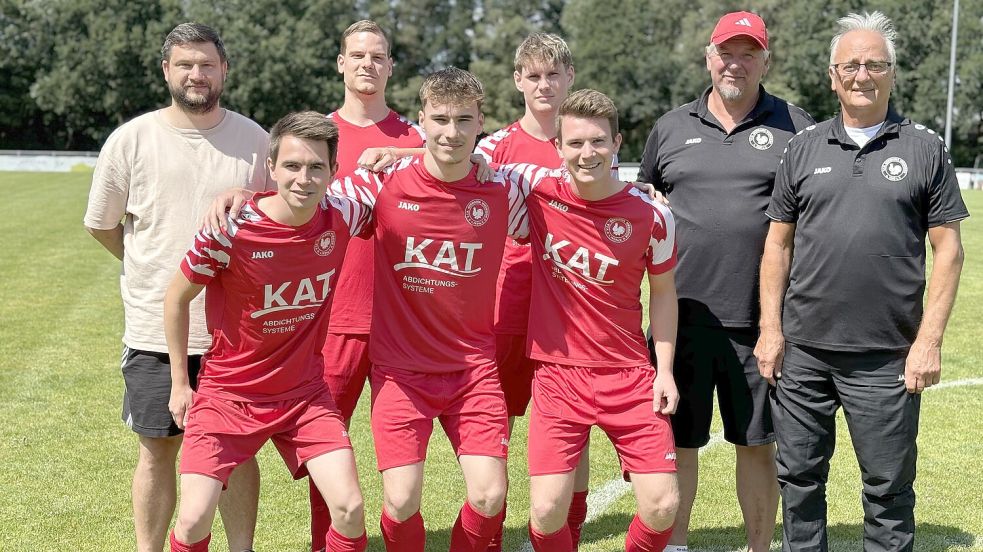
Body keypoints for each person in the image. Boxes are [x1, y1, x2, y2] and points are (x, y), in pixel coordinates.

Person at [755, 11, 967, 552]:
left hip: (888, 355)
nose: (862, 75)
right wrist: (771, 331)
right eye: (850, 65)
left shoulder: (924, 149)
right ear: (832, 75)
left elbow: (948, 252)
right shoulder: (801, 149)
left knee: (888, 489)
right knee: (799, 481)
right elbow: (777, 246)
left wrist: (928, 342)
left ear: (891, 74)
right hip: (804, 352)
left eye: (875, 64)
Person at [83, 22, 265, 552]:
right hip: (154, 330)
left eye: (207, 63)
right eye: (185, 64)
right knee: (158, 449)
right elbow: (102, 223)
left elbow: (280, 220)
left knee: (238, 451)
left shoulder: (255, 140)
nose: (196, 74)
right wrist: (155, 269)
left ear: (224, 70)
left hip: (237, 332)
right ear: (167, 70)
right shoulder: (131, 139)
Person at [636, 11, 813, 552]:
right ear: (709, 56)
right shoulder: (670, 127)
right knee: (679, 444)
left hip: (761, 323)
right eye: (726, 52)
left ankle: (760, 547)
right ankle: (677, 544)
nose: (735, 64)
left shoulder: (796, 125)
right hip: (681, 318)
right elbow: (643, 200)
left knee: (756, 445)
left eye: (748, 53)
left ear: (766, 59)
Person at [164, 111, 370, 552]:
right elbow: (175, 299)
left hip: (303, 395)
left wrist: (398, 149)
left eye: (317, 167)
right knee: (193, 518)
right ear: (271, 168)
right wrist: (181, 383)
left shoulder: (345, 212)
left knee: (350, 508)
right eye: (292, 166)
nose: (304, 178)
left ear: (334, 171)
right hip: (228, 395)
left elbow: (428, 161)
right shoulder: (230, 227)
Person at [501, 89, 680, 552]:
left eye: (599, 142)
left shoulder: (653, 213)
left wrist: (664, 371)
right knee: (544, 511)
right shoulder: (535, 191)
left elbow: (663, 294)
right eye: (576, 143)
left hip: (629, 374)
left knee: (662, 506)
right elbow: (455, 153)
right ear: (557, 147)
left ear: (617, 142)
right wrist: (401, 151)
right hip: (558, 375)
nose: (588, 153)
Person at [472, 32, 595, 550]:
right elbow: (442, 160)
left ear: (570, 78)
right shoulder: (494, 147)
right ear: (518, 80)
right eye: (534, 75)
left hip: (569, 310)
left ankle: (570, 523)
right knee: (494, 416)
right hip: (506, 302)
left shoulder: (585, 142)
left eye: (554, 75)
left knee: (573, 424)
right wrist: (394, 151)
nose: (544, 85)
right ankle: (490, 525)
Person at [310, 20, 425, 551]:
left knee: (400, 458)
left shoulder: (416, 138)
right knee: (327, 447)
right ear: (340, 63)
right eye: (357, 55)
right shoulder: (316, 136)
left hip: (402, 322)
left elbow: (465, 160)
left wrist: (403, 157)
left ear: (391, 66)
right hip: (334, 318)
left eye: (377, 57)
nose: (367, 65)